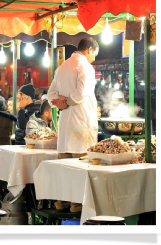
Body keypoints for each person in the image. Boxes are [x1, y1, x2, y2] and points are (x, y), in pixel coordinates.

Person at [47, 37, 99, 213]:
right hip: (81, 124)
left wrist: (60, 103)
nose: (94, 58)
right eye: (95, 55)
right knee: (79, 168)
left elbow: (50, 93)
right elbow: (81, 93)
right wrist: (68, 101)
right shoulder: (86, 66)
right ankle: (77, 207)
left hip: (66, 124)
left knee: (65, 168)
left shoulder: (62, 67)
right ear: (90, 49)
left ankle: (62, 204)